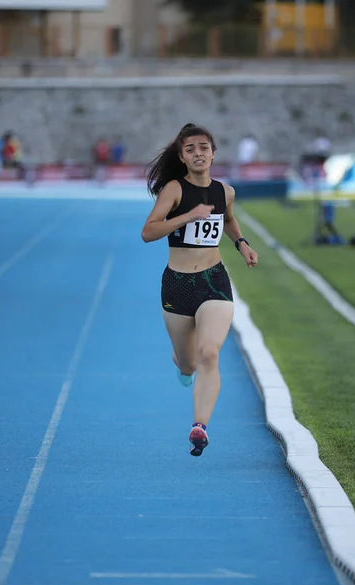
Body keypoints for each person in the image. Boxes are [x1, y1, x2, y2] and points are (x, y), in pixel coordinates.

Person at [141, 123, 258, 457]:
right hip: (177, 285)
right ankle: (182, 364)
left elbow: (228, 220)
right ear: (182, 156)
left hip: (213, 280)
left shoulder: (226, 192)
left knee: (210, 353)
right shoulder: (174, 190)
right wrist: (188, 216)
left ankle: (200, 426)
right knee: (190, 363)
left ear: (213, 152)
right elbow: (148, 232)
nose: (198, 153)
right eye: (190, 148)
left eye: (203, 147)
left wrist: (242, 243)